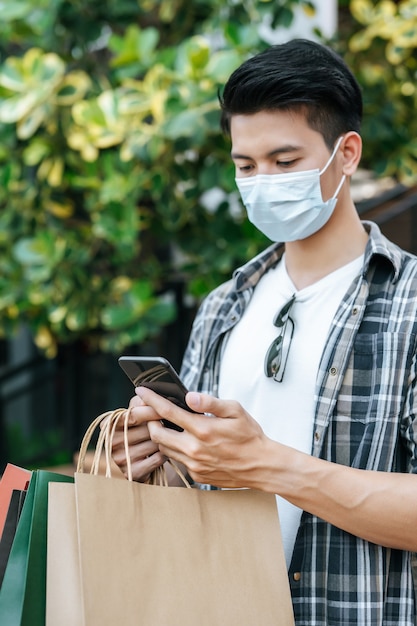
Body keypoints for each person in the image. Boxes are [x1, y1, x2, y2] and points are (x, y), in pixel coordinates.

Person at [111, 39, 417, 624]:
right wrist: (157, 459)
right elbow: (200, 486)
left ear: (346, 153)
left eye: (284, 161)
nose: (262, 182)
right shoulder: (225, 306)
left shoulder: (409, 304)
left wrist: (267, 465)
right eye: (245, 166)